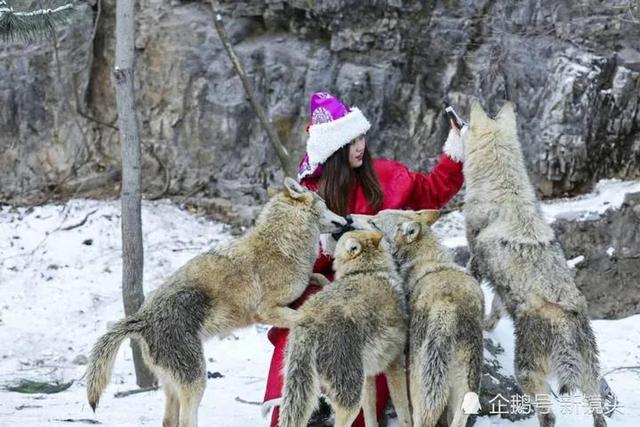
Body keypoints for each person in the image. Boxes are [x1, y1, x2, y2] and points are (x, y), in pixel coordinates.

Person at [262, 92, 466, 427]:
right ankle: (302, 409)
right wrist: (326, 249)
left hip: (379, 289)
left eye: (361, 137)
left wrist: (456, 144)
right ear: (334, 150)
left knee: (369, 339)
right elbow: (291, 262)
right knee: (300, 322)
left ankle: (351, 413)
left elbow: (432, 191)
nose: (361, 146)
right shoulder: (310, 192)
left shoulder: (387, 175)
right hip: (329, 286)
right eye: (351, 141)